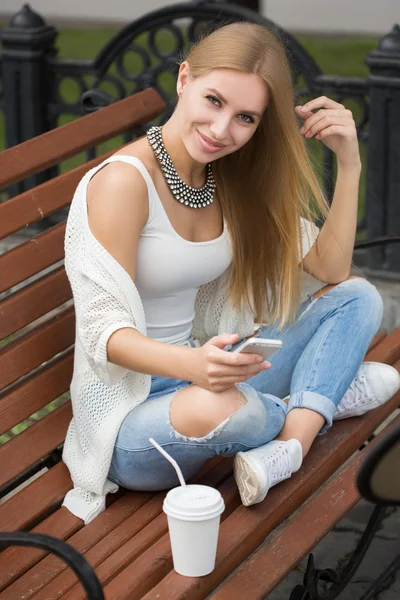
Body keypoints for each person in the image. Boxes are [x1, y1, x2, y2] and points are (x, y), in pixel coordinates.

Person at [61, 22, 400, 524]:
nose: (221, 131)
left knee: (360, 298)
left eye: (245, 117)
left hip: (211, 371)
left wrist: (349, 165)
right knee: (235, 410)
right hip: (134, 418)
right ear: (184, 79)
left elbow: (330, 269)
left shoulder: (225, 181)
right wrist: (193, 367)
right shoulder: (124, 183)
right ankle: (316, 400)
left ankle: (290, 445)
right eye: (213, 100)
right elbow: (100, 332)